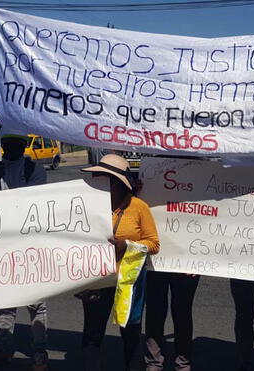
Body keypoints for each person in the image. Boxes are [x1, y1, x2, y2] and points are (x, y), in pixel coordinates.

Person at [80, 154, 160, 371]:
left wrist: (127, 246)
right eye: (98, 177)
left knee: (131, 335)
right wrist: (78, 284)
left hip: (128, 281)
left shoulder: (138, 207)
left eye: (104, 179)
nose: (99, 182)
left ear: (118, 183)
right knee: (92, 336)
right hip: (96, 281)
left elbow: (153, 244)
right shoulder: (88, 206)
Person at [0, 134, 49, 371]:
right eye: (7, 144)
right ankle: (2, 348)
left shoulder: (35, 169)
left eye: (16, 144)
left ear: (22, 145)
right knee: (6, 302)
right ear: (2, 146)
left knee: (36, 303)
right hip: (4, 244)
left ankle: (39, 352)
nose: (11, 148)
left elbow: (31, 202)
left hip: (30, 245)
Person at [144, 271, 200, 370]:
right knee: (155, 309)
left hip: (187, 261)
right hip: (156, 262)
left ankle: (183, 362)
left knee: (183, 310)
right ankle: (154, 362)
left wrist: (195, 263)